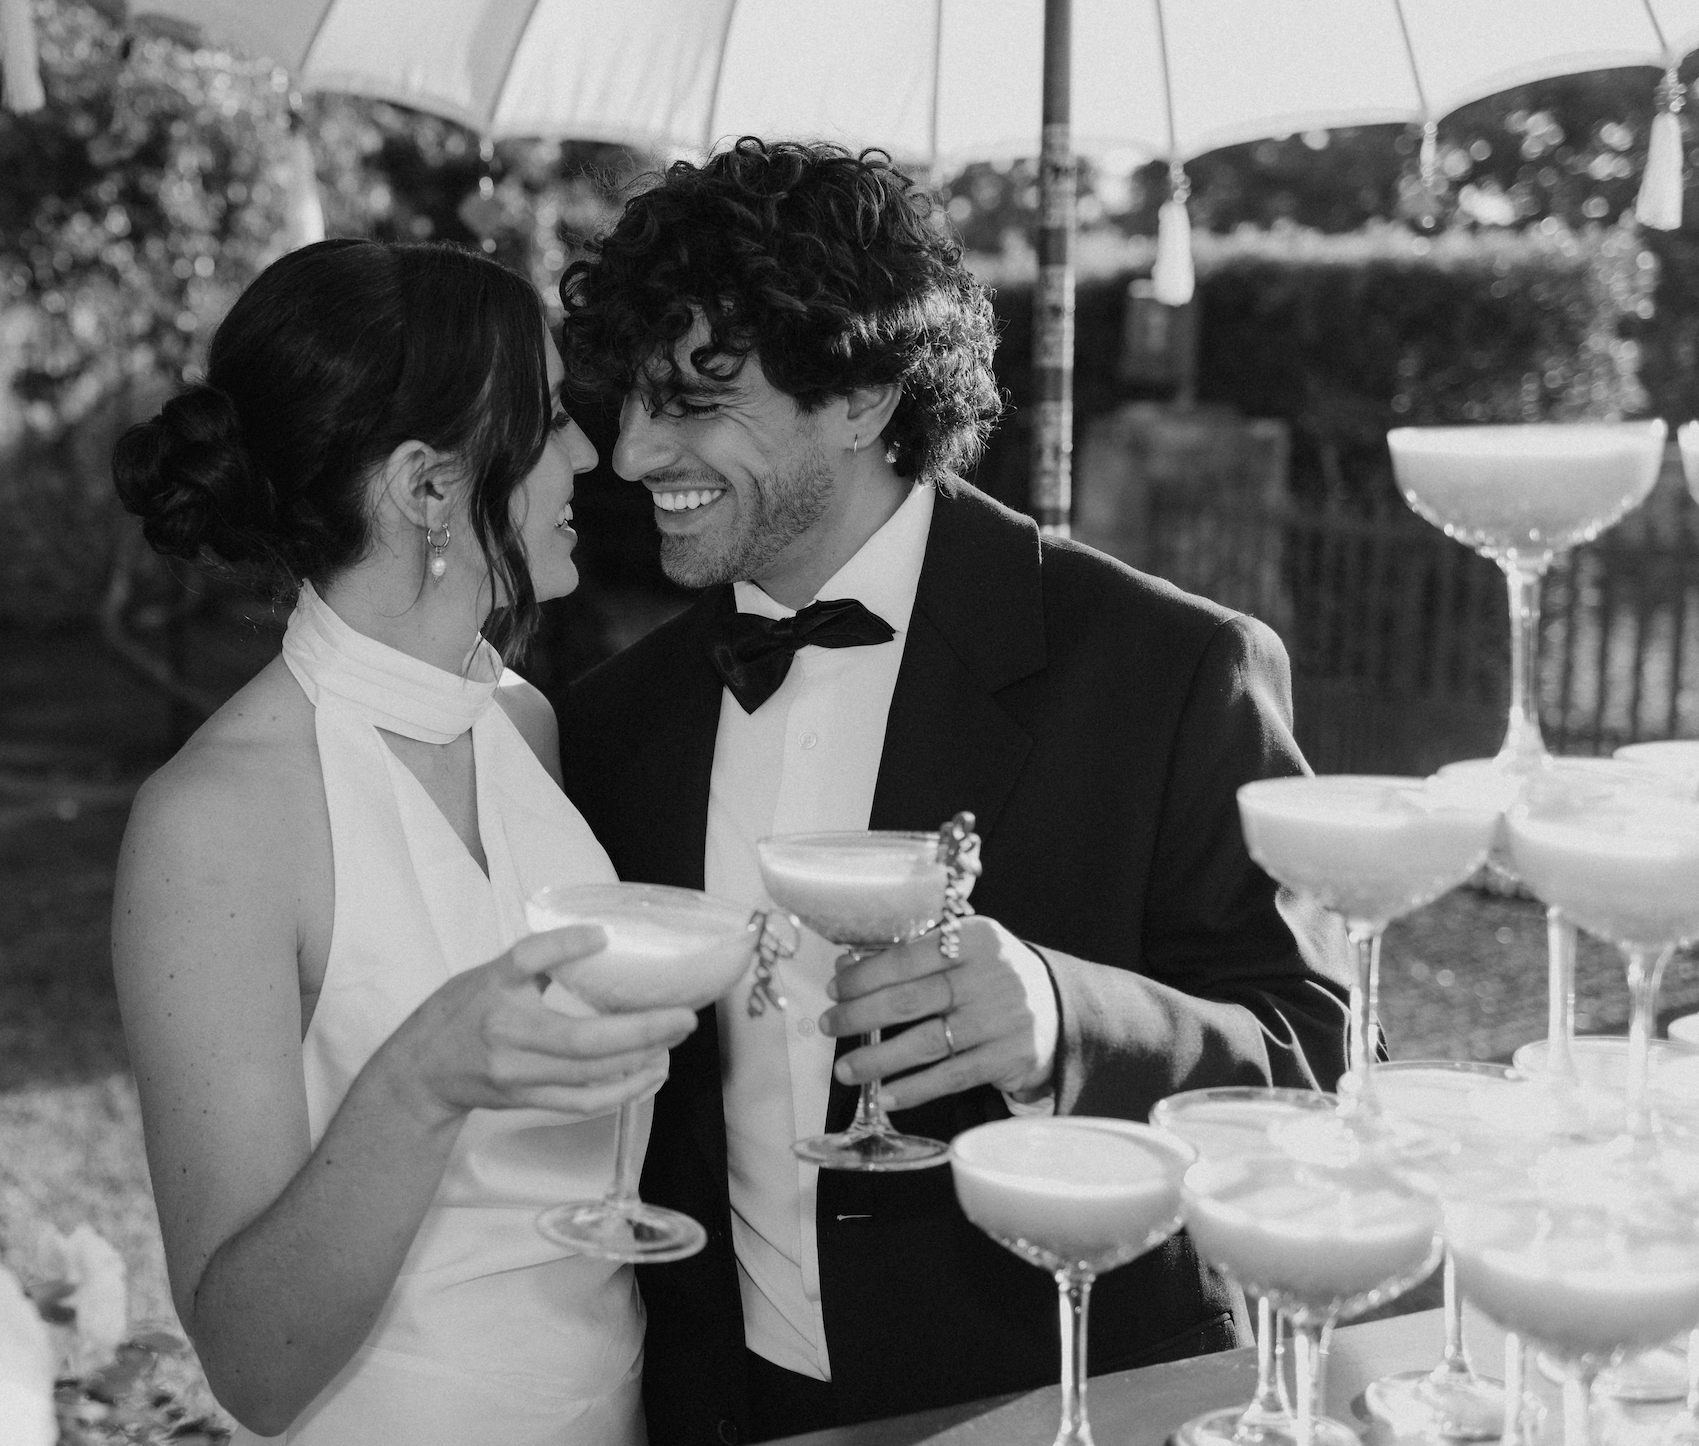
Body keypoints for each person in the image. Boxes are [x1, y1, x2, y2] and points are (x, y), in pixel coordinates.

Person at [555, 139, 1352, 1445]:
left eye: (696, 399)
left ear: (862, 395)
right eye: (632, 399)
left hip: (1068, 1399)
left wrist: (1060, 1017)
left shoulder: (1167, 670)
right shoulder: (611, 724)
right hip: (720, 1406)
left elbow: (1321, 1066)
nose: (634, 451)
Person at [108, 238, 694, 1446]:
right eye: (549, 421)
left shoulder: (522, 723)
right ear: (428, 488)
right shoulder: (214, 822)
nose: (590, 454)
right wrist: (422, 1083)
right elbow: (251, 1364)